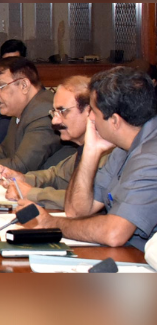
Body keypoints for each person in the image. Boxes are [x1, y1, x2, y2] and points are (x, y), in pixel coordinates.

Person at [22, 67, 157, 250]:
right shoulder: (121, 148)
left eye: (93, 111)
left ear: (115, 121)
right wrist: (90, 153)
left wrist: (52, 223)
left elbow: (114, 233)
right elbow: (77, 211)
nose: (90, 117)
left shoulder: (150, 157)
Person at [0, 76, 104, 209]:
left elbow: (83, 202)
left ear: (89, 111)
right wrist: (22, 179)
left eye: (62, 112)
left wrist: (30, 193)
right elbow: (56, 176)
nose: (54, 121)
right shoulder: (84, 148)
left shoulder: (107, 152)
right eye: (54, 113)